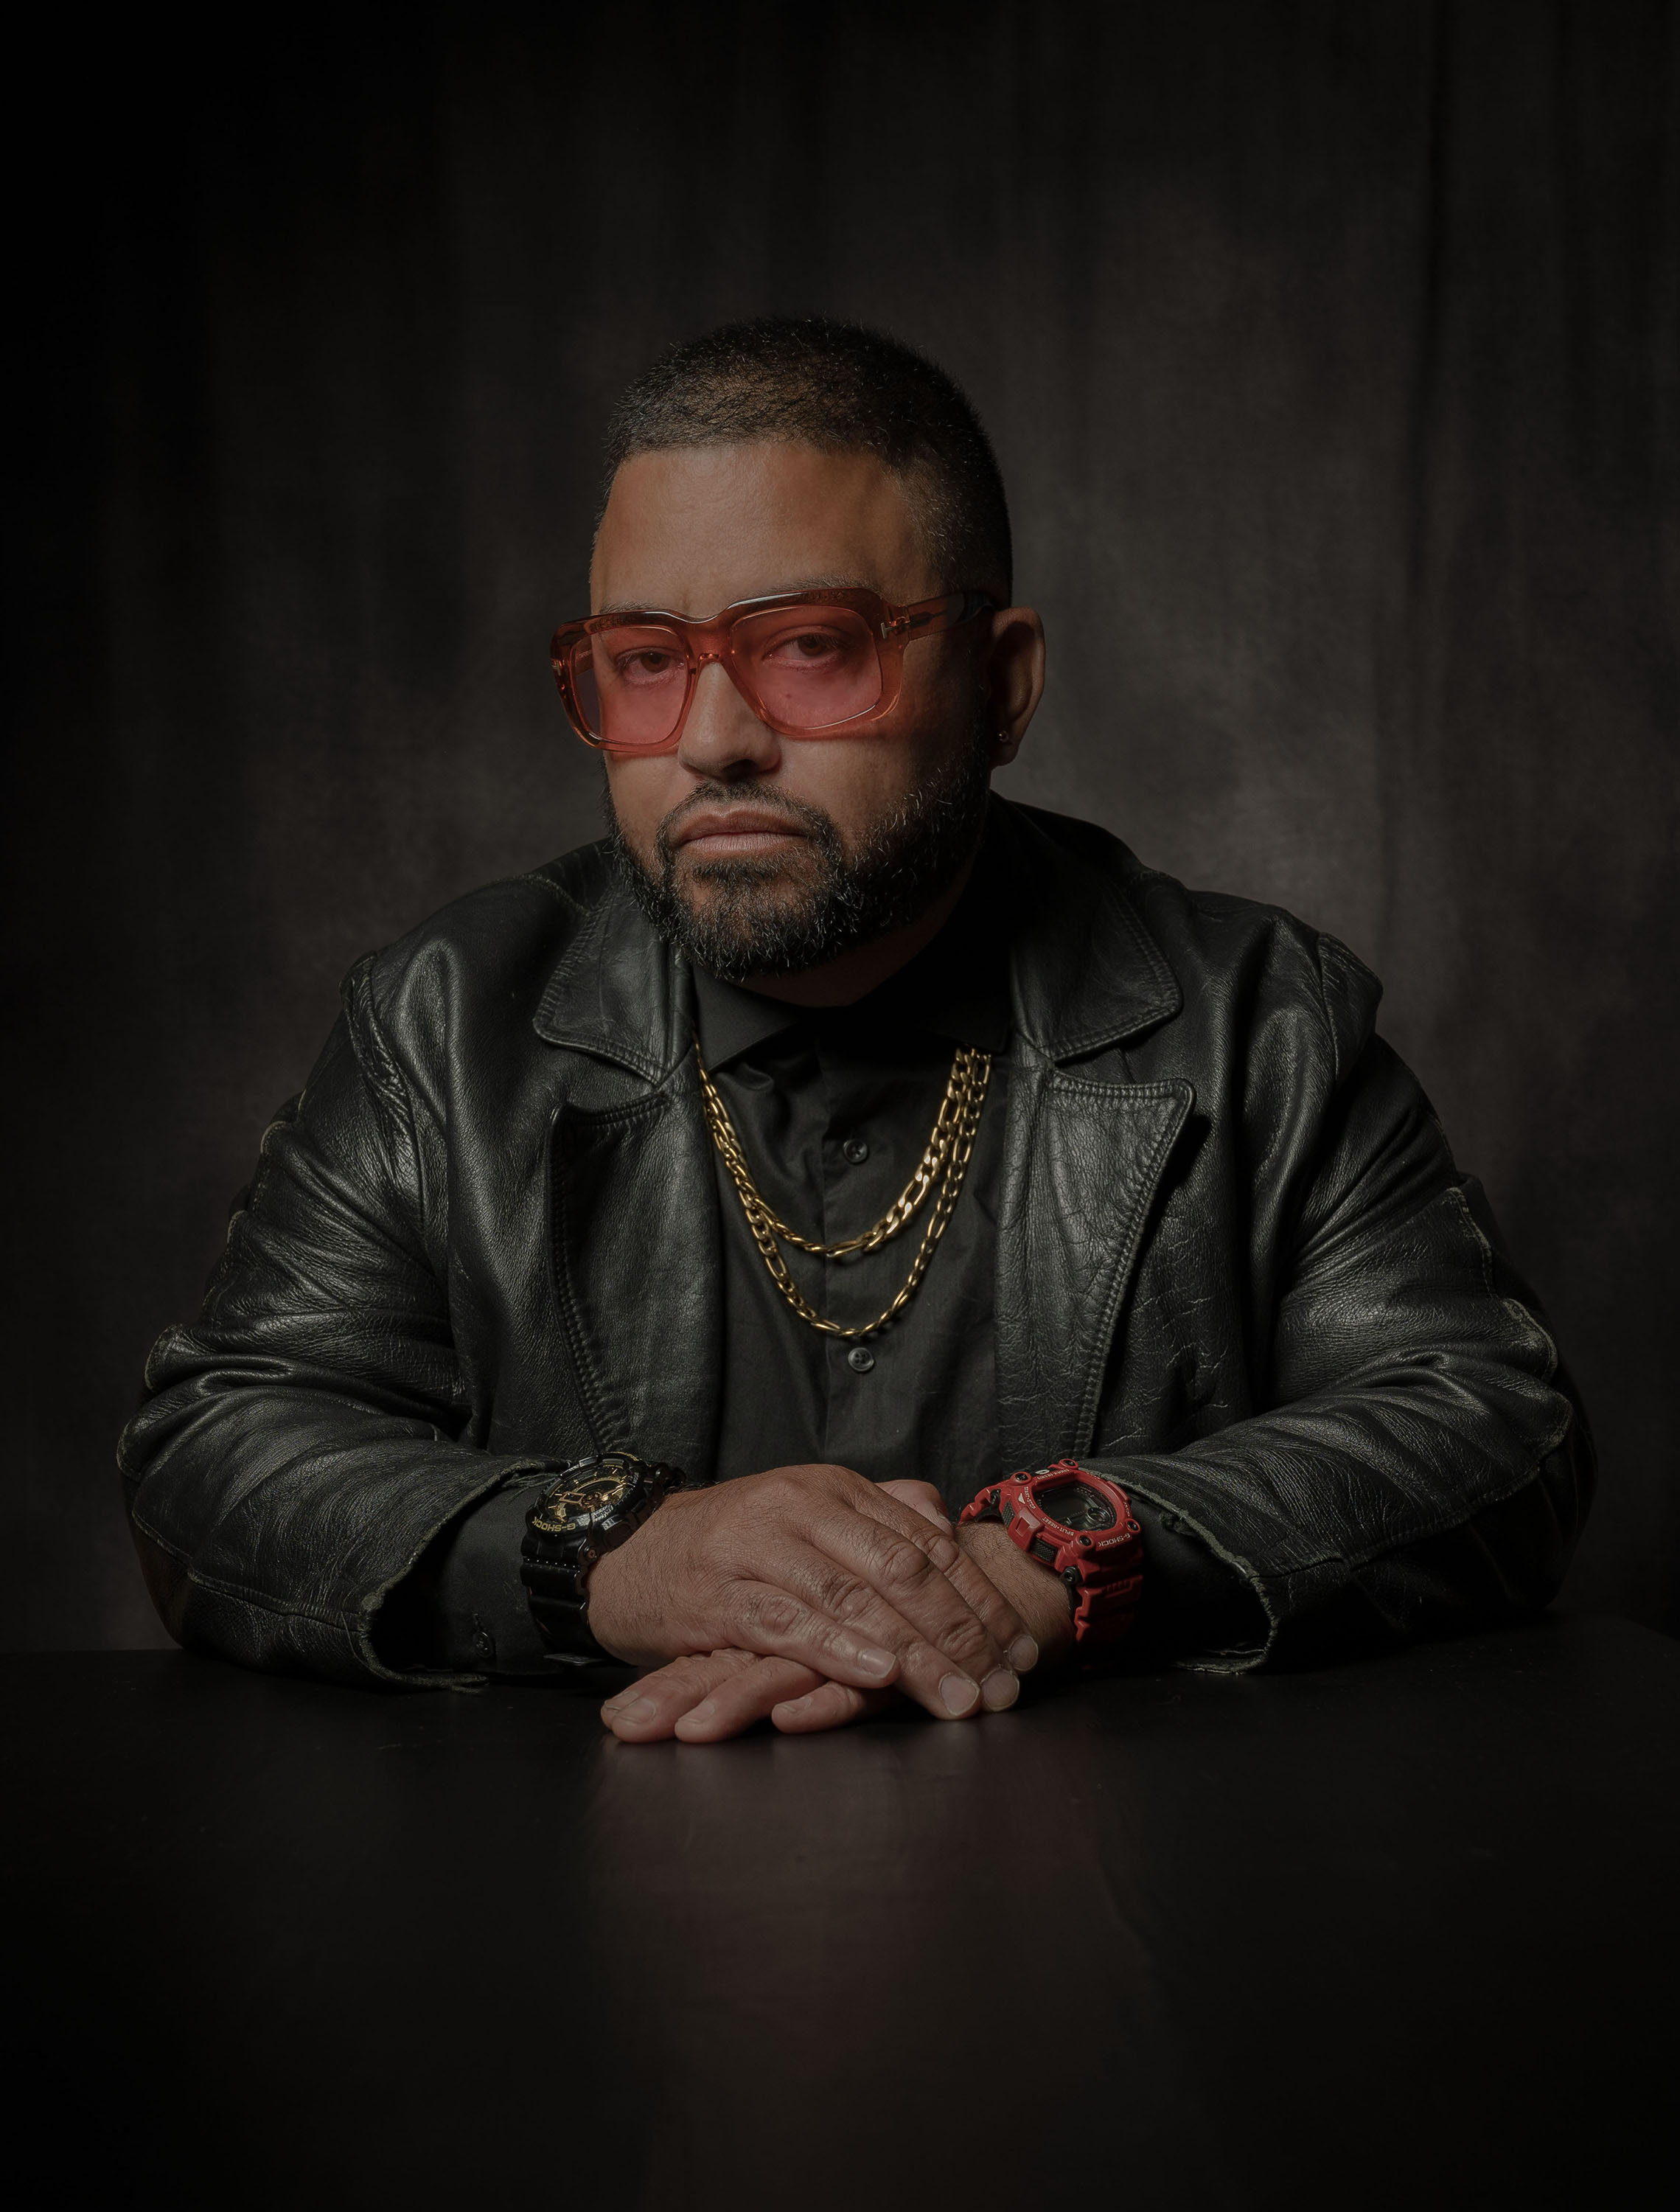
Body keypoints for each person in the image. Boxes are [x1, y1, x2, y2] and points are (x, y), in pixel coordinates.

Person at [119, 317, 1593, 1744]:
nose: (713, 738)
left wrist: (1042, 1568)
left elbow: (1489, 1425)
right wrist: (619, 1561)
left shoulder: (1257, 1027)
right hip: (561, 1929)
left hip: (1134, 1931)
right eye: (644, 658)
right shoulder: (445, 1031)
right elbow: (216, 1456)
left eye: (809, 645)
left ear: (1002, 685)